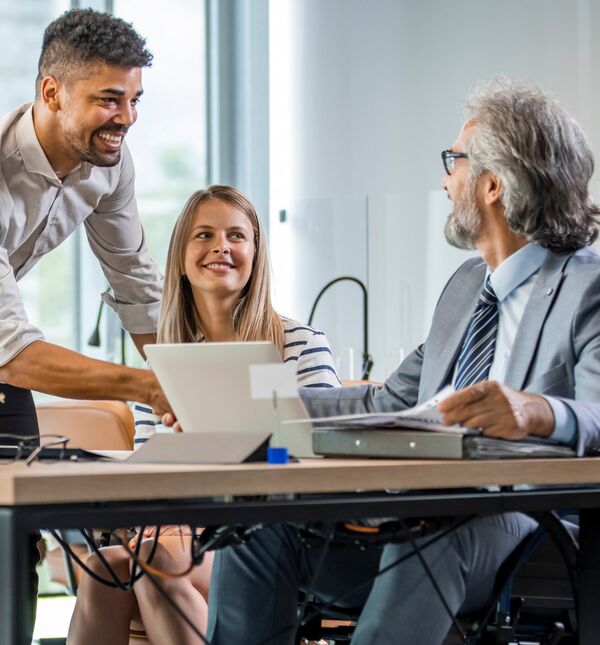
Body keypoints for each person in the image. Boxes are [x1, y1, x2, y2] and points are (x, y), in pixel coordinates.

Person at [205, 78, 600, 645]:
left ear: (492, 185)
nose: (444, 179)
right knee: (259, 525)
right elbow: (385, 401)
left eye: (454, 162)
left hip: (532, 534)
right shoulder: (468, 287)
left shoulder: (587, 287)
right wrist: (248, 407)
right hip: (419, 518)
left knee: (437, 530)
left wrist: (537, 411)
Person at [67, 185, 341, 644]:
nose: (221, 247)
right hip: (175, 537)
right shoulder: (162, 365)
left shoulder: (299, 346)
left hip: (277, 539)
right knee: (104, 566)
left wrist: (222, 470)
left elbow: (319, 460)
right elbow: (147, 484)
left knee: (155, 559)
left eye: (237, 236)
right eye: (205, 235)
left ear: (256, 254)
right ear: (180, 257)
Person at [0, 9, 171, 639]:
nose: (125, 117)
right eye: (108, 99)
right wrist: (147, 387)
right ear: (51, 92)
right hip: (3, 353)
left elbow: (136, 283)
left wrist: (182, 379)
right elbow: (13, 353)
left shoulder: (109, 165)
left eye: (133, 99)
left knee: (14, 543)